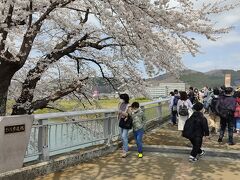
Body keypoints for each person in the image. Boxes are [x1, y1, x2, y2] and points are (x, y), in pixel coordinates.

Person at [118, 93, 131, 157]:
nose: (120, 99)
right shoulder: (120, 104)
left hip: (126, 122)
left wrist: (121, 112)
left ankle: (125, 151)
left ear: (124, 99)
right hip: (121, 121)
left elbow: (129, 114)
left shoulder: (129, 105)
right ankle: (124, 148)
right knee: (122, 136)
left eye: (121, 98)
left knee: (124, 136)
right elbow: (118, 112)